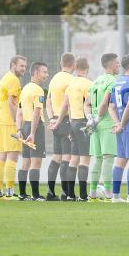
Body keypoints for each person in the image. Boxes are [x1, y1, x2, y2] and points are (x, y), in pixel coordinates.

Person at [54, 57, 92, 201]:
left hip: (73, 123)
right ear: (87, 67)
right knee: (84, 160)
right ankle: (83, 195)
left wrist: (59, 122)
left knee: (73, 160)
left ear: (75, 67)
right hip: (84, 123)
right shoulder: (89, 84)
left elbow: (65, 106)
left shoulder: (71, 85)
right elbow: (89, 105)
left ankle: (69, 194)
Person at [109, 55, 129, 203]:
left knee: (120, 161)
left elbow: (111, 107)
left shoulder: (117, 82)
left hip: (121, 127)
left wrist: (117, 123)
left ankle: (115, 196)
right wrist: (122, 124)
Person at [87, 53, 120, 199]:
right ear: (111, 65)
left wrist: (91, 118)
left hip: (94, 125)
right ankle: (108, 193)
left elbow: (86, 103)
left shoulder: (95, 81)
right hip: (106, 123)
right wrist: (99, 118)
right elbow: (105, 103)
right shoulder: (112, 80)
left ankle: (92, 192)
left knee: (98, 159)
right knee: (108, 158)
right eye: (117, 63)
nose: (119, 65)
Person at [0, 55, 26, 199]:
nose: (24, 69)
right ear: (13, 65)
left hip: (0, 120)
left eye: (25, 66)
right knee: (13, 155)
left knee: (2, 155)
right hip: (9, 121)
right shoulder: (14, 80)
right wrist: (17, 122)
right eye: (21, 66)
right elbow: (12, 103)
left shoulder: (4, 78)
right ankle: (10, 191)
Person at [17, 62, 49, 200]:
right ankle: (36, 195)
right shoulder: (38, 90)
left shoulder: (25, 89)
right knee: (36, 163)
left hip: (24, 127)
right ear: (36, 73)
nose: (46, 75)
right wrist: (33, 133)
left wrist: (19, 129)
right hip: (35, 128)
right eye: (44, 72)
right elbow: (37, 112)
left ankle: (23, 194)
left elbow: (19, 113)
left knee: (25, 162)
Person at [46, 53, 75, 200]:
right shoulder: (72, 80)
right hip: (67, 121)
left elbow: (48, 102)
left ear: (60, 63)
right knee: (67, 158)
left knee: (56, 157)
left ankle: (50, 192)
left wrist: (52, 118)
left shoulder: (54, 79)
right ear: (74, 64)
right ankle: (66, 193)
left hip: (55, 121)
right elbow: (69, 104)